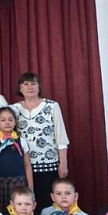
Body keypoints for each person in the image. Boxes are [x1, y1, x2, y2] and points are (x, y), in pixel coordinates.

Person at [11, 72, 69, 207]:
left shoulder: (51, 106)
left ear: (39, 87)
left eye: (33, 84)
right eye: (26, 84)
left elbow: (61, 137)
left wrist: (63, 163)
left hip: (48, 165)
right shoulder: (14, 109)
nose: (30, 87)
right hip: (23, 167)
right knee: (26, 204)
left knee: (48, 204)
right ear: (20, 88)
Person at [0, 106, 33, 210]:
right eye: (3, 120)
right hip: (2, 184)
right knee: (4, 211)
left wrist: (30, 186)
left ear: (15, 122)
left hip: (20, 183)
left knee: (21, 209)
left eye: (10, 120)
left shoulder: (21, 141)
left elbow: (27, 165)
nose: (7, 123)